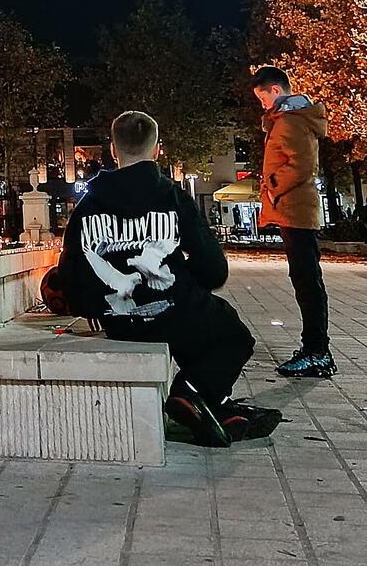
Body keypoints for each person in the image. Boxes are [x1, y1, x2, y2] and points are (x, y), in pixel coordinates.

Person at [54, 109, 280, 446]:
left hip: (119, 320)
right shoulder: (174, 197)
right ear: (157, 149)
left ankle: (209, 404)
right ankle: (192, 392)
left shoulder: (87, 206)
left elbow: (70, 276)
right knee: (231, 332)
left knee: (197, 319)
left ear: (114, 151)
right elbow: (214, 269)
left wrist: (95, 307)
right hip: (174, 312)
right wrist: (184, 283)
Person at [252, 65, 335, 377]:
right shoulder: (287, 120)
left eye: (262, 98)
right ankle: (314, 347)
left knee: (307, 281)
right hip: (293, 209)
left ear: (276, 90)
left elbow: (301, 165)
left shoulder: (292, 121)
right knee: (304, 279)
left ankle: (317, 352)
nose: (262, 104)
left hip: (296, 209)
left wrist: (272, 188)